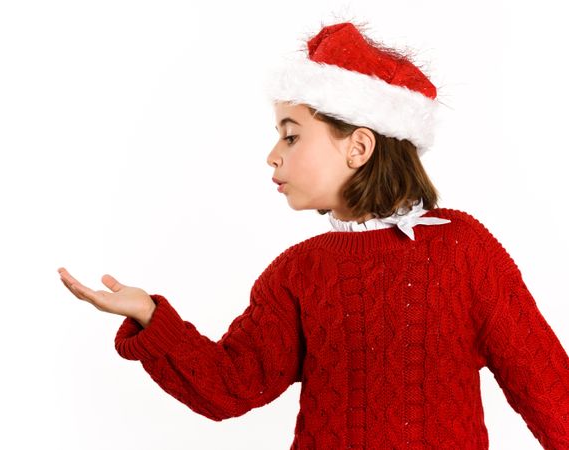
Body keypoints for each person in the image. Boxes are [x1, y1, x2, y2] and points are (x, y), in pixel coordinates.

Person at [58, 20, 569, 449]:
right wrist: (150, 315)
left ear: (359, 147)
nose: (272, 155)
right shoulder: (299, 270)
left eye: (291, 135)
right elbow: (232, 386)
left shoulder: (463, 249)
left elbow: (548, 388)